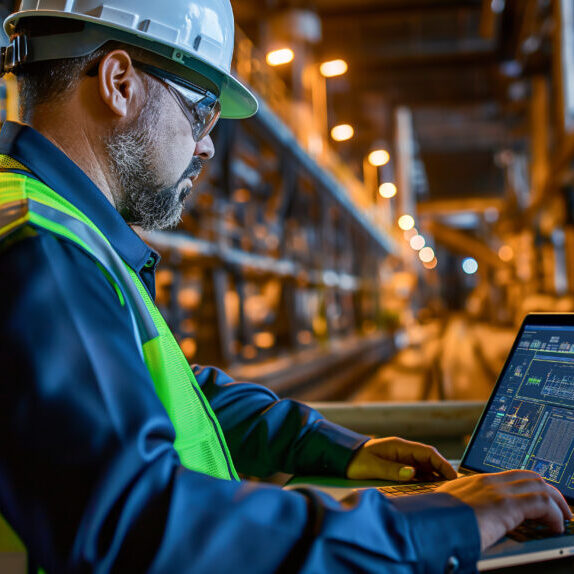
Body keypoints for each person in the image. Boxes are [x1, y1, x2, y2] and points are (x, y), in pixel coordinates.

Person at [0, 1, 570, 572]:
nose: (207, 147)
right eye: (201, 113)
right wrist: (437, 523)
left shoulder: (51, 227)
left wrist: (340, 448)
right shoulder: (42, 250)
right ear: (119, 83)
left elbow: (162, 391)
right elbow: (136, 525)